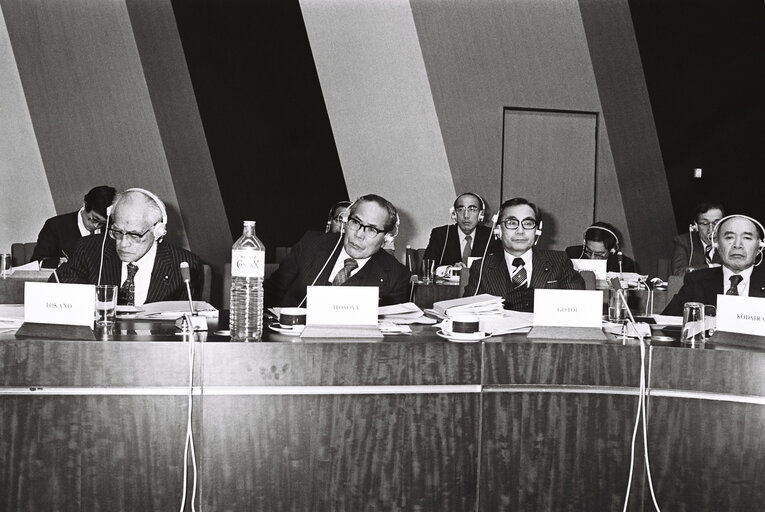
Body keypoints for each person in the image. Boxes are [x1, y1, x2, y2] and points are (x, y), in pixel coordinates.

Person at [55, 188, 203, 306]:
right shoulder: (88, 249)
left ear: (157, 231)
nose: (123, 243)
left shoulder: (184, 265)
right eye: (117, 232)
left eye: (134, 235)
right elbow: (59, 287)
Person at [265, 194, 411, 307]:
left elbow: (391, 331)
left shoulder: (396, 275)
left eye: (372, 229)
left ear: (387, 237)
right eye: (355, 222)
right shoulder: (311, 244)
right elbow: (270, 292)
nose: (359, 234)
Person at [463, 197, 585, 312]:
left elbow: (578, 308)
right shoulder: (482, 267)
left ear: (537, 230)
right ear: (498, 230)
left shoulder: (559, 261)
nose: (520, 231)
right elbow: (467, 313)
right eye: (511, 223)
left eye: (528, 223)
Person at [663, 214, 765, 315]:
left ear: (759, 246)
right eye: (729, 237)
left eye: (747, 238)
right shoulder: (696, 281)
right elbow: (666, 324)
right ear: (716, 244)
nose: (737, 245)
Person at [31, 185, 117, 263]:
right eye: (94, 219)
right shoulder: (55, 226)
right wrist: (57, 263)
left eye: (103, 223)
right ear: (85, 204)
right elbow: (37, 262)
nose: (96, 226)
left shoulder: (112, 230)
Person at [422, 192, 499, 267]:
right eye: (460, 209)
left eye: (472, 209)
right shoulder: (440, 234)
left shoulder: (491, 236)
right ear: (454, 214)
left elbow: (500, 268)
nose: (466, 215)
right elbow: (426, 268)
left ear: (480, 214)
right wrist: (449, 269)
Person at [671, 202, 724, 276]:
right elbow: (678, 273)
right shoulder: (683, 242)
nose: (711, 229)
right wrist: (710, 267)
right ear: (696, 225)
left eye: (716, 223)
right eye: (705, 223)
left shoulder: (730, 243)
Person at [565, 221, 637, 273]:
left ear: (612, 250)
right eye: (588, 251)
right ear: (584, 243)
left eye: (599, 254)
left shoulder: (624, 265)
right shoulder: (571, 254)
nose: (592, 258)